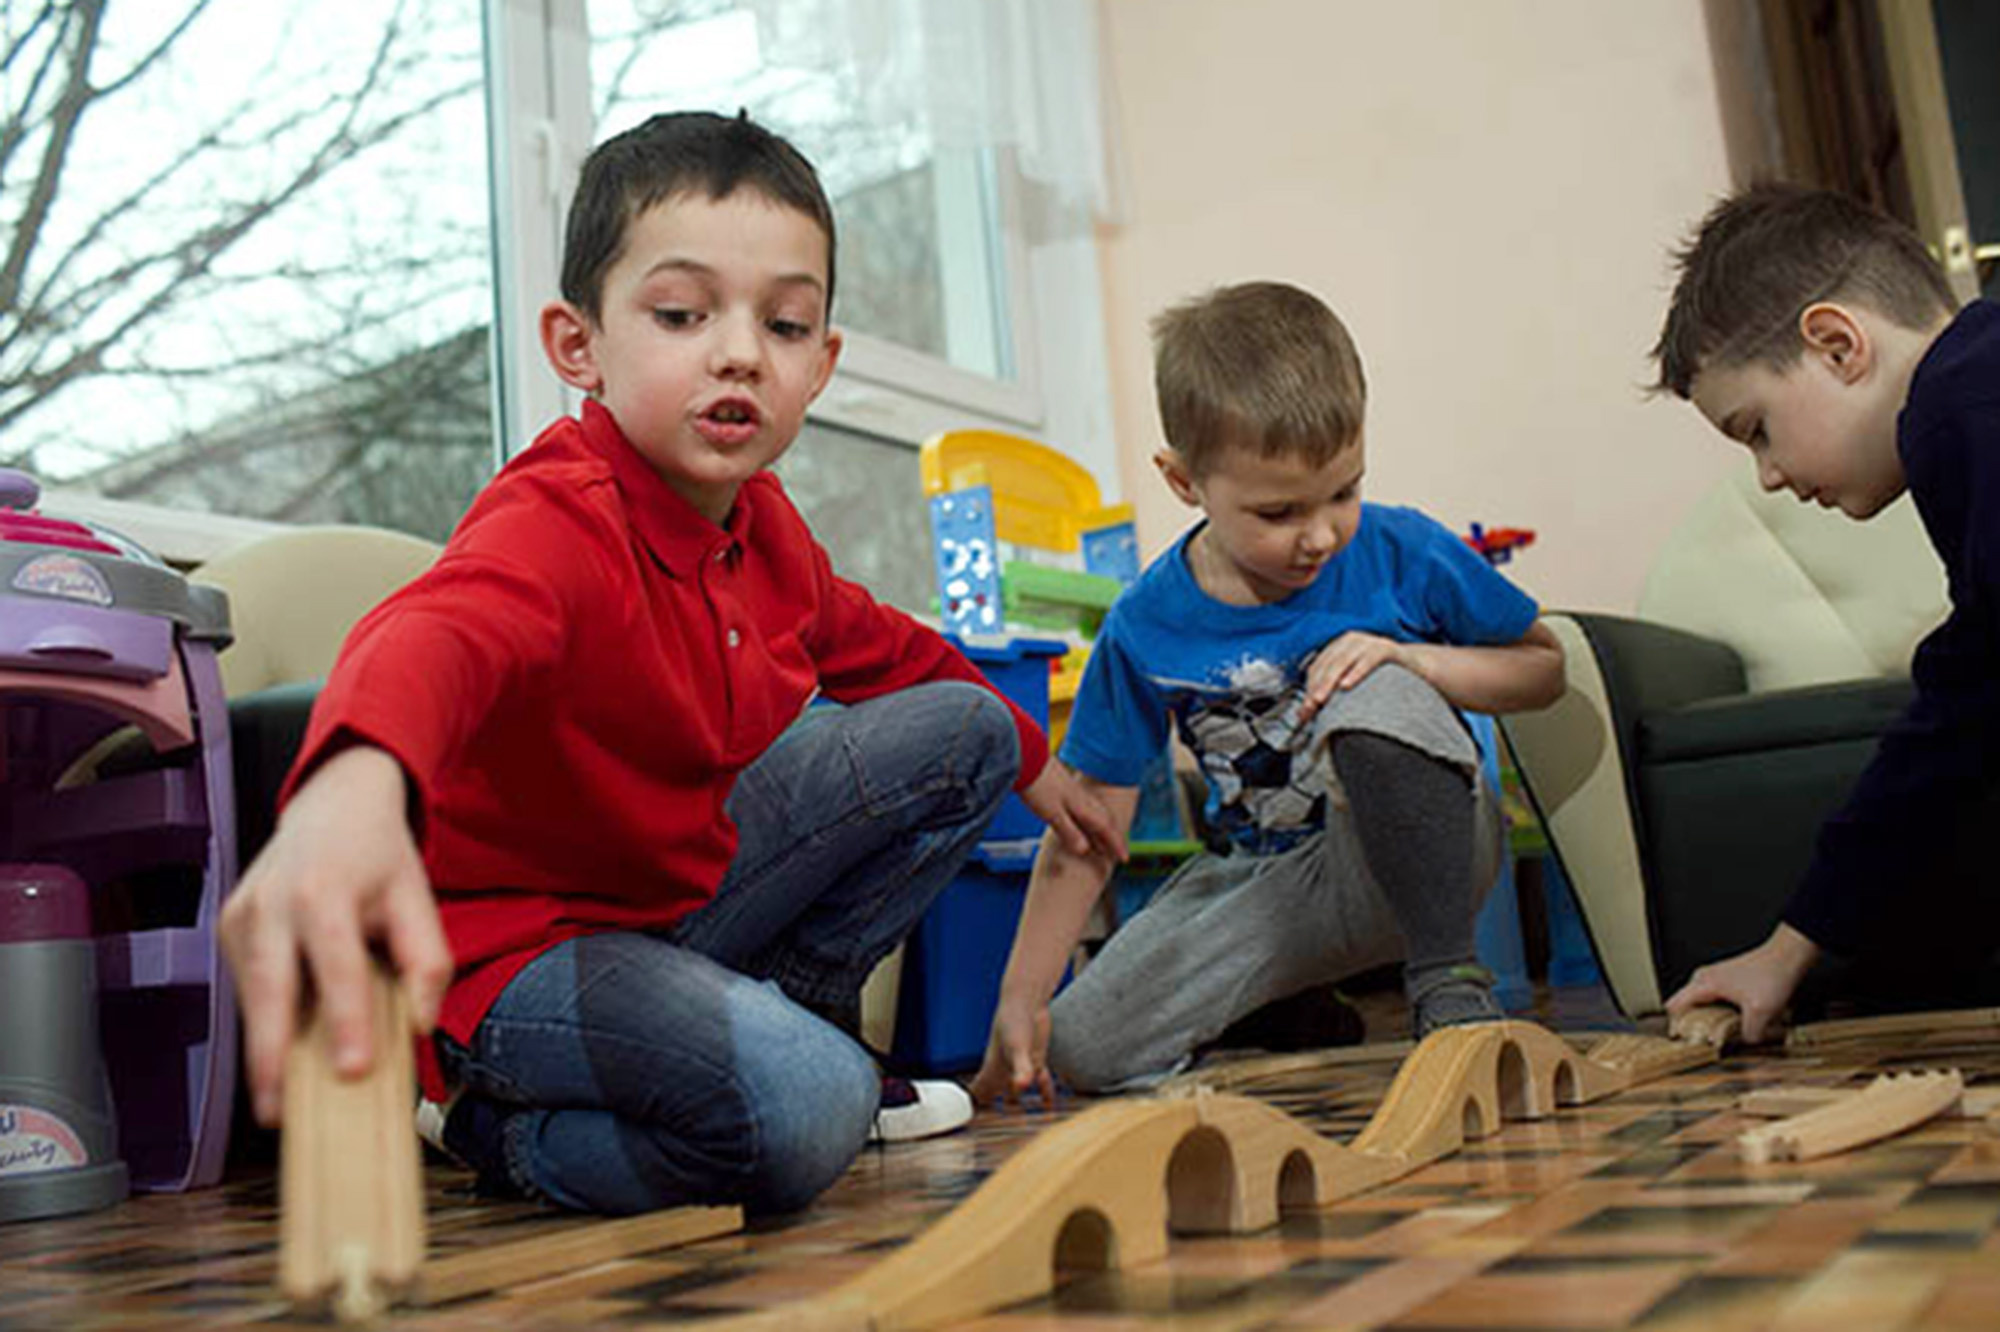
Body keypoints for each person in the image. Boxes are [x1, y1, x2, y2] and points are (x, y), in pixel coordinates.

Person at [217, 110, 1122, 1216]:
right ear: (577, 345)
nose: (738, 350)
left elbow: (886, 645)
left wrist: (1037, 763)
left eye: (784, 324)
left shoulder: (767, 530)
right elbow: (433, 633)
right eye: (682, 314)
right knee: (804, 1113)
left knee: (966, 726)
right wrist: (349, 786)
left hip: (673, 911)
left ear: (821, 362)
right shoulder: (559, 516)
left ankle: (803, 1023)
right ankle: (486, 1121)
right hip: (515, 957)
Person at [970, 281, 1565, 1103]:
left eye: (1345, 491)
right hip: (1276, 884)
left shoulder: (1403, 550)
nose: (1320, 534)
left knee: (1371, 681)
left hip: (1428, 859)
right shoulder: (1147, 624)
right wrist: (1021, 998)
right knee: (1085, 1046)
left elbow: (1545, 666)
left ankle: (1445, 975)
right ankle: (1286, 1002)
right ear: (1183, 482)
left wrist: (1417, 661)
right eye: (1279, 511)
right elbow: (1085, 824)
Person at [1655, 183, 2000, 1042]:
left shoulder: (1958, 405)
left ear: (1839, 344)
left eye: (1758, 429)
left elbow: (1968, 702)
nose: (1767, 475)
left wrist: (1790, 946)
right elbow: (1971, 692)